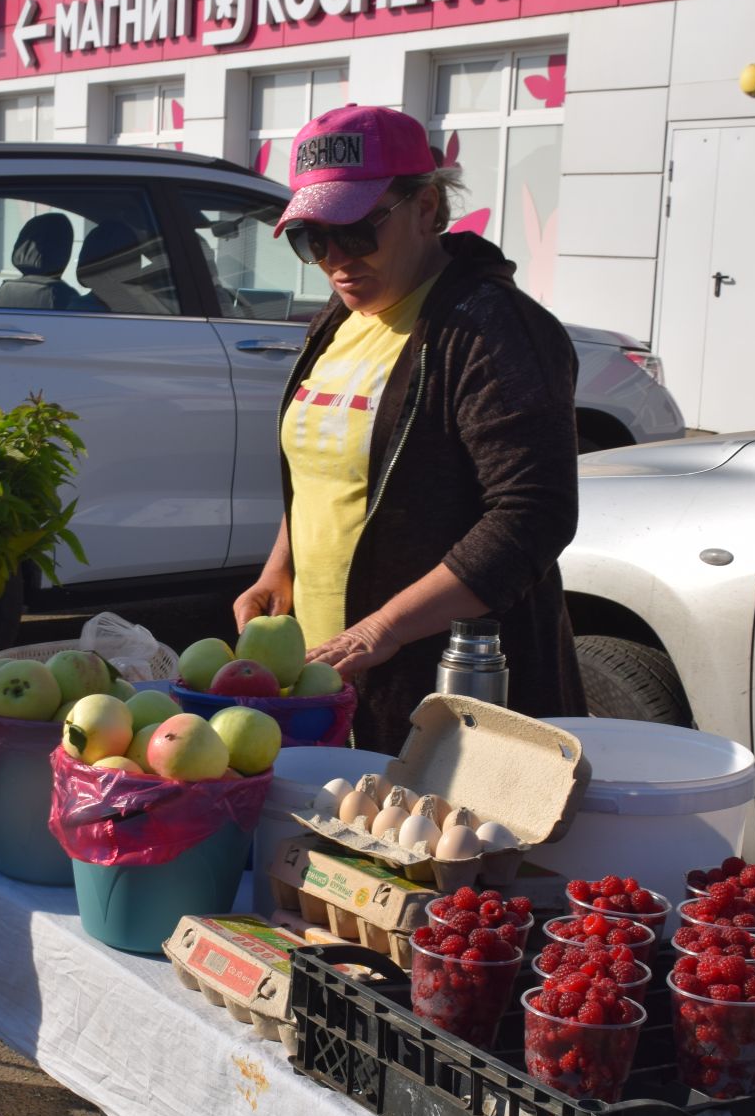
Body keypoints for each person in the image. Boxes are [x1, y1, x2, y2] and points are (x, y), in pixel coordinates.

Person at [233, 105, 587, 754]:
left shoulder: (493, 331)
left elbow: (533, 516)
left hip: (452, 696)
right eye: (313, 239)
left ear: (427, 209)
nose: (335, 259)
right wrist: (276, 571)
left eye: (358, 231)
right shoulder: (336, 322)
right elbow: (321, 468)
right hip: (327, 684)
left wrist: (383, 630)